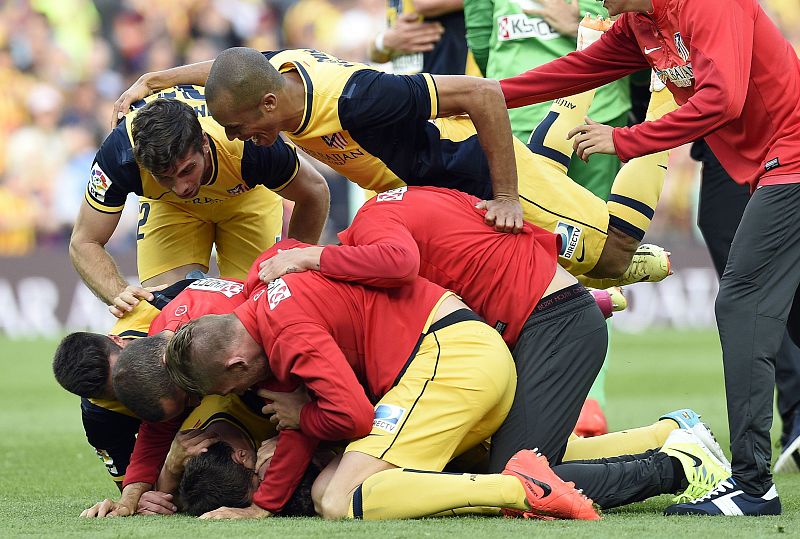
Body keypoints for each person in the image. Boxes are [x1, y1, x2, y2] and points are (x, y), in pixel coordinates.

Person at [163, 241, 729, 520]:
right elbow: (288, 250)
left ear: (235, 366)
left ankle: (522, 491)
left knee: (339, 497)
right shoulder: (270, 284)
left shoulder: (286, 335)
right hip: (467, 351)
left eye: (233, 386)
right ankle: (671, 434)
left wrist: (293, 434)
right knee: (500, 457)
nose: (240, 397)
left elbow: (352, 415)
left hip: (446, 361)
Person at [498, 0, 800, 516]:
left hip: (791, 159)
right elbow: (573, 71)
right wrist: (469, 97)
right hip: (774, 165)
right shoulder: (641, 23)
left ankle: (753, 488)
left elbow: (722, 100)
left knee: (740, 305)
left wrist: (625, 140)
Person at [111, 47, 672, 283]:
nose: (235, 139)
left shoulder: (357, 98)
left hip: (469, 173)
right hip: (427, 201)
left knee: (613, 251)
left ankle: (674, 90)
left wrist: (503, 195)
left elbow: (483, 96)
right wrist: (161, 79)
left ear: (268, 105)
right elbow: (232, 70)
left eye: (237, 128)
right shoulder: (278, 74)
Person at [71, 86, 329, 317]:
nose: (181, 186)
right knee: (164, 310)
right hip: (171, 207)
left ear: (204, 143)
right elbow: (84, 241)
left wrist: (292, 259)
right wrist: (118, 292)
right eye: (164, 176)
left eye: (186, 170)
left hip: (246, 197)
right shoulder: (118, 156)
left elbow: (315, 192)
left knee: (253, 313)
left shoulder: (247, 142)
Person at [692, 140, 800, 475]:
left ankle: (752, 480)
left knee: (746, 298)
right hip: (728, 140)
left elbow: (721, 97)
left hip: (775, 140)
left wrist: (630, 139)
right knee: (754, 291)